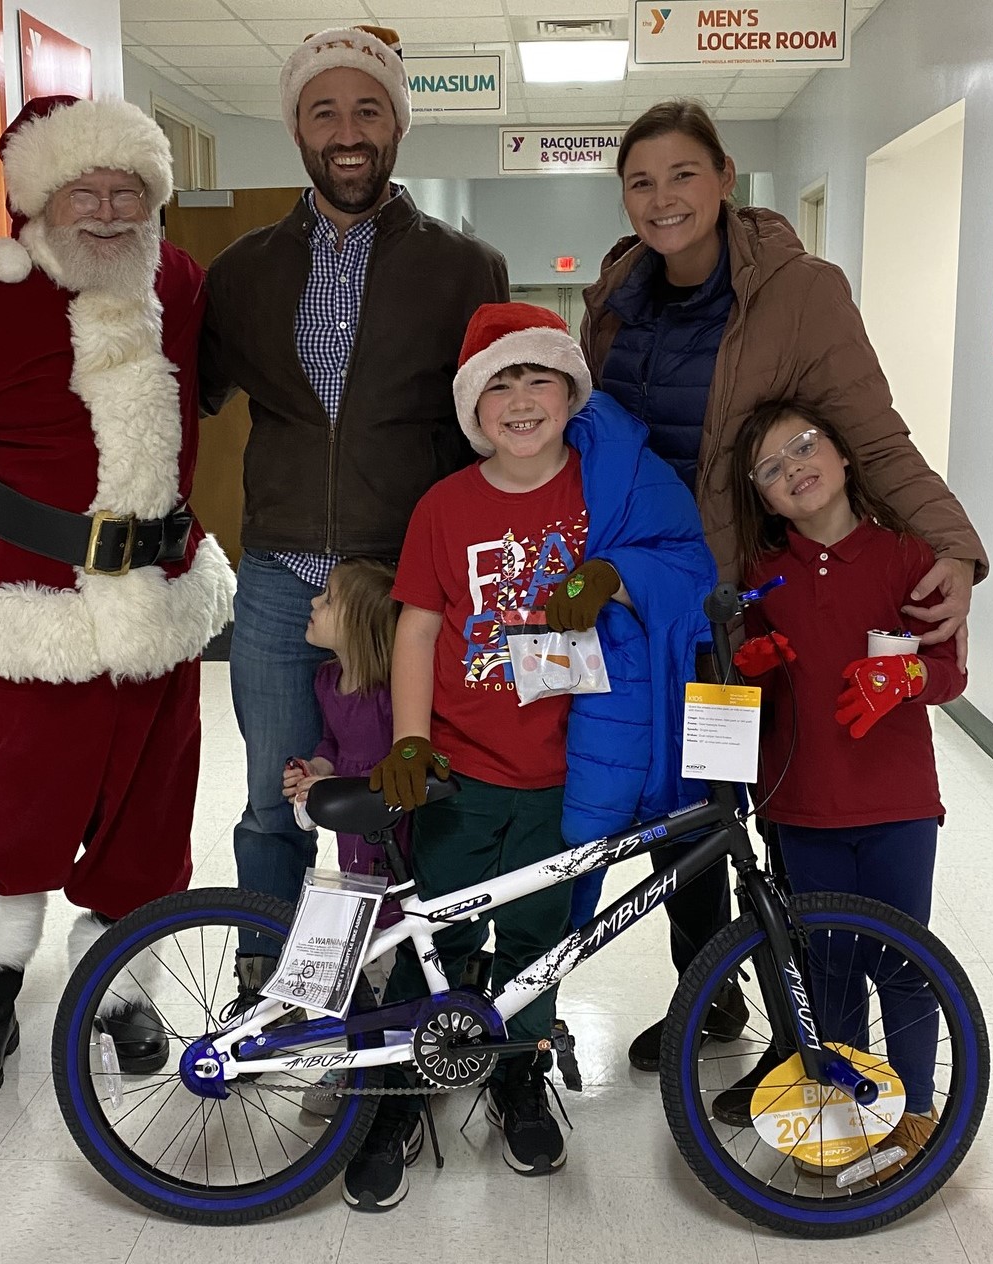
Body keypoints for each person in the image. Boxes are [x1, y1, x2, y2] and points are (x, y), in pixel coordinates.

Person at [581, 99, 988, 1073]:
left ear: (725, 178)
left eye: (684, 174)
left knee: (759, 813)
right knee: (680, 823)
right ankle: (707, 996)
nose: (663, 197)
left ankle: (802, 1033)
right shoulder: (617, 293)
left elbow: (873, 433)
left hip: (738, 604)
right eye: (641, 181)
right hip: (650, 613)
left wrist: (953, 547)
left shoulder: (802, 292)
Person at [0, 95, 234, 1108]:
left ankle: (121, 990)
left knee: (147, 825)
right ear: (38, 198)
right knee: (4, 818)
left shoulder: (177, 279)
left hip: (157, 612)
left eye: (129, 190)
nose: (110, 211)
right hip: (25, 618)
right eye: (87, 191)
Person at [340, 303, 715, 1211]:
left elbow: (679, 558)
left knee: (540, 943)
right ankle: (404, 1087)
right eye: (497, 385)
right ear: (473, 409)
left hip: (564, 772)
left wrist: (611, 575)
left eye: (536, 378)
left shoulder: (606, 489)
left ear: (571, 391)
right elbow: (421, 625)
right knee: (443, 930)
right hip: (460, 773)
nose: (519, 401)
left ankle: (517, 1071)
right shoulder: (446, 506)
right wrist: (411, 739)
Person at [198, 25, 508, 996]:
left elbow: (489, 432)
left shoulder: (464, 269)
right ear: (297, 125)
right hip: (283, 580)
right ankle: (273, 988)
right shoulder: (242, 271)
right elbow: (185, 393)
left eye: (368, 109)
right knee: (274, 799)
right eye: (325, 109)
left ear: (398, 127)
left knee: (423, 794)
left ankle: (431, 987)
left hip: (406, 582)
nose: (347, 129)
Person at [715, 399, 967, 1177]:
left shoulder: (908, 557)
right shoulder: (761, 576)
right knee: (827, 961)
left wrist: (911, 672)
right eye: (772, 467)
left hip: (896, 803)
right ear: (761, 496)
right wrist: (750, 664)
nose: (794, 468)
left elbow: (951, 672)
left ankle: (915, 1112)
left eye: (804, 446)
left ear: (845, 455)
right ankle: (848, 1106)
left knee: (902, 959)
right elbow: (742, 678)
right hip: (801, 806)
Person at [279, 557, 405, 1116]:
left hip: (395, 842)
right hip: (352, 849)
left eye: (327, 599)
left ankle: (379, 1059)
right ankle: (355, 1053)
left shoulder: (388, 693)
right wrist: (318, 769)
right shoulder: (326, 680)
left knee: (386, 948)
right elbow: (332, 741)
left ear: (358, 625)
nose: (312, 603)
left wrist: (340, 778)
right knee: (356, 949)